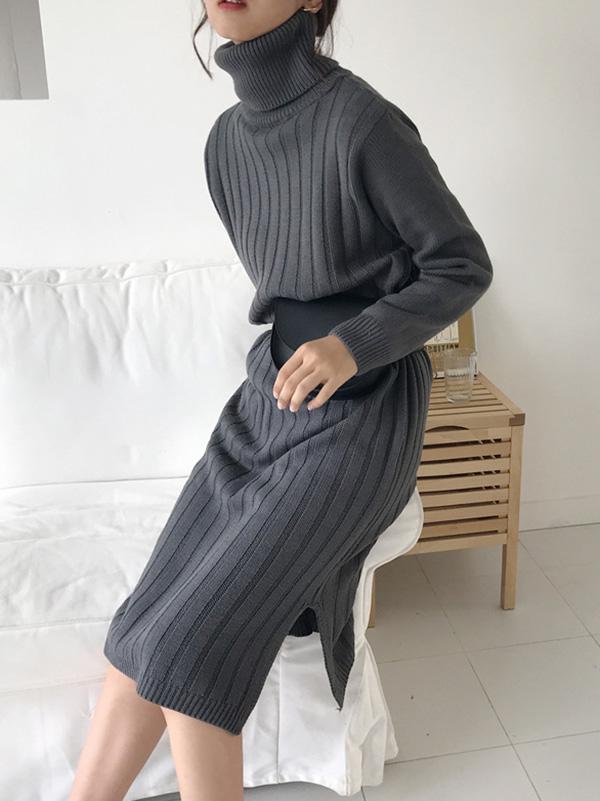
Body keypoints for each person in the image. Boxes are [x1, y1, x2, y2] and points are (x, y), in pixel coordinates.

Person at [69, 2, 493, 800]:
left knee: (190, 649)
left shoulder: (362, 121)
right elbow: (287, 284)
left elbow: (461, 265)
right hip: (267, 400)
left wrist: (353, 342)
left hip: (364, 414)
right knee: (140, 628)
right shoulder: (225, 144)